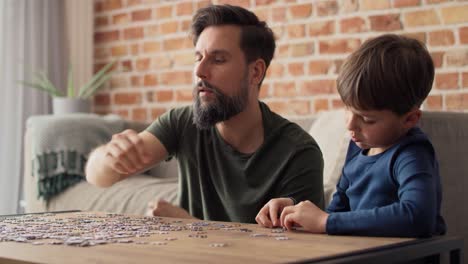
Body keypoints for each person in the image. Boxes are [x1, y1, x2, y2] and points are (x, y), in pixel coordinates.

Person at [85, 4, 324, 223]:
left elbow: (298, 251)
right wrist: (109, 157)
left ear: (255, 72)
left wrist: (193, 227)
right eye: (198, 58)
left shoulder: (298, 153)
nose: (200, 71)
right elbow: (99, 177)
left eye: (218, 60)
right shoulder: (182, 123)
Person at [256, 34, 447, 237]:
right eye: (347, 109)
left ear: (409, 119)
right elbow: (336, 214)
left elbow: (418, 217)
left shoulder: (412, 154)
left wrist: (326, 221)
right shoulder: (358, 148)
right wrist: (294, 213)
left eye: (367, 119)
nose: (350, 124)